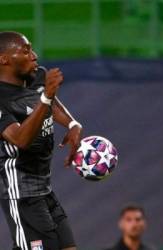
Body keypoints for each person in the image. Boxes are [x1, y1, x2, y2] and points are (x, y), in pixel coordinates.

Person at [0, 31, 82, 250]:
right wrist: (46, 96)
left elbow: (51, 103)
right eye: (26, 51)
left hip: (44, 189)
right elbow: (20, 139)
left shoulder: (36, 77)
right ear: (4, 59)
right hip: (21, 195)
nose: (34, 55)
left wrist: (72, 124)